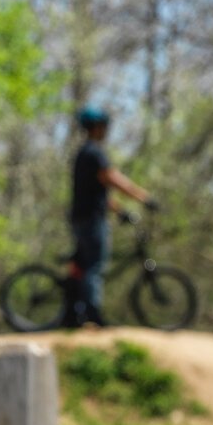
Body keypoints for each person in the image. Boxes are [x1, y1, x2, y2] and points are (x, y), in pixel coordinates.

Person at [68, 106, 155, 326]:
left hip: (81, 216)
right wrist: (143, 197)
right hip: (91, 220)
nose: (107, 131)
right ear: (97, 128)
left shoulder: (82, 154)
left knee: (81, 266)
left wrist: (120, 211)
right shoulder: (94, 153)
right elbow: (113, 179)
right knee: (95, 266)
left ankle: (71, 313)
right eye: (105, 126)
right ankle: (93, 315)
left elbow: (97, 194)